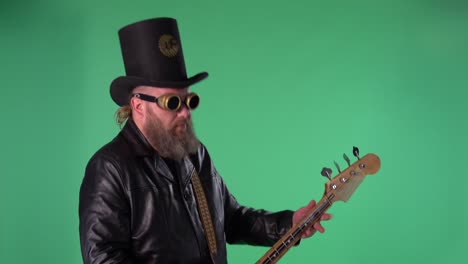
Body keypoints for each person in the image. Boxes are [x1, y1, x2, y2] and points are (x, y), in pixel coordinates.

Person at [79, 17, 331, 264]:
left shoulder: (194, 155)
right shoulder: (110, 168)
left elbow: (230, 219)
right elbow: (103, 257)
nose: (185, 112)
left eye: (189, 100)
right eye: (172, 103)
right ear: (138, 105)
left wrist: (289, 223)